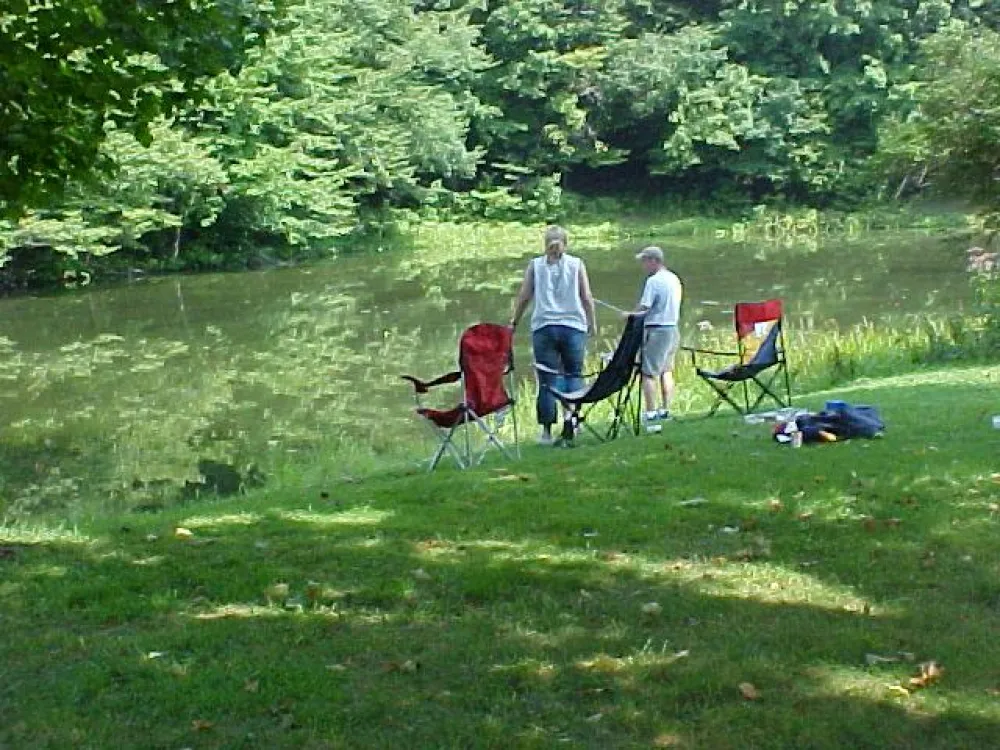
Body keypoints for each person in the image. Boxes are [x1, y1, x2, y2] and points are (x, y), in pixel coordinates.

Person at [509, 225, 597, 445]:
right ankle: (571, 421)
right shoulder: (577, 264)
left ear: (544, 243)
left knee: (547, 381)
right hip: (573, 327)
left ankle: (546, 432)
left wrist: (514, 323)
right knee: (573, 375)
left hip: (544, 328)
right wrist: (592, 324)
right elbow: (586, 297)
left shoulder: (535, 265)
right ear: (566, 244)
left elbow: (524, 297)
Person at [623, 245, 683, 433]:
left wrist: (629, 315)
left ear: (654, 261)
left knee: (648, 373)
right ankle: (666, 409)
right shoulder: (674, 279)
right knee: (666, 371)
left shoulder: (654, 281)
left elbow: (644, 307)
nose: (643, 265)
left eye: (645, 261)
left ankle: (650, 412)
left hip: (656, 330)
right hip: (672, 329)